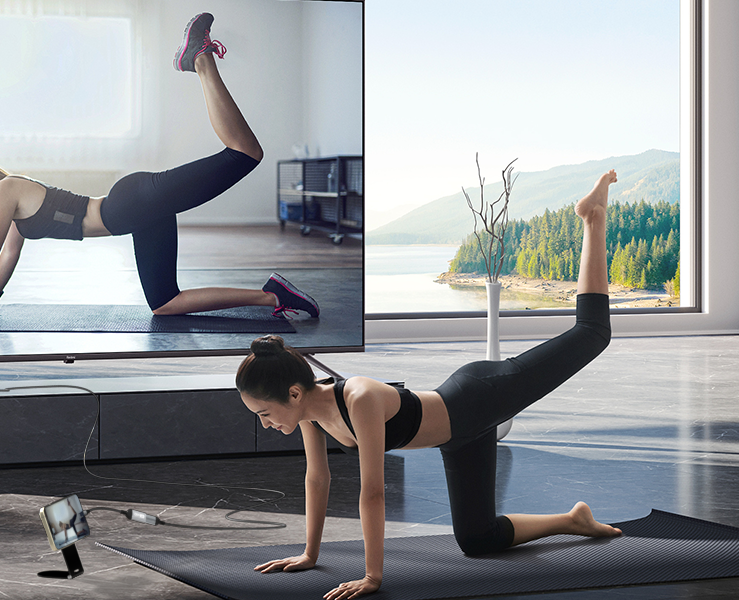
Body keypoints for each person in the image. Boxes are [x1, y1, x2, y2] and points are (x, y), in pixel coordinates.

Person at [235, 170, 625, 599]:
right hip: (459, 438)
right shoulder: (309, 412)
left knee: (592, 333)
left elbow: (373, 494)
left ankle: (592, 218)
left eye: (265, 414)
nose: (266, 424)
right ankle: (574, 520)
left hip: (480, 397)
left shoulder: (358, 397)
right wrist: (309, 555)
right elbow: (317, 479)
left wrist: (373, 576)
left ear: (292, 392)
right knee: (478, 540)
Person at [0, 13, 319, 331]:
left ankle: (201, 59)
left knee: (244, 153)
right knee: (164, 304)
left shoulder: (2, 191)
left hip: (131, 203)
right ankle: (272, 297)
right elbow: (7, 255)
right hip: (136, 214)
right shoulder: (10, 203)